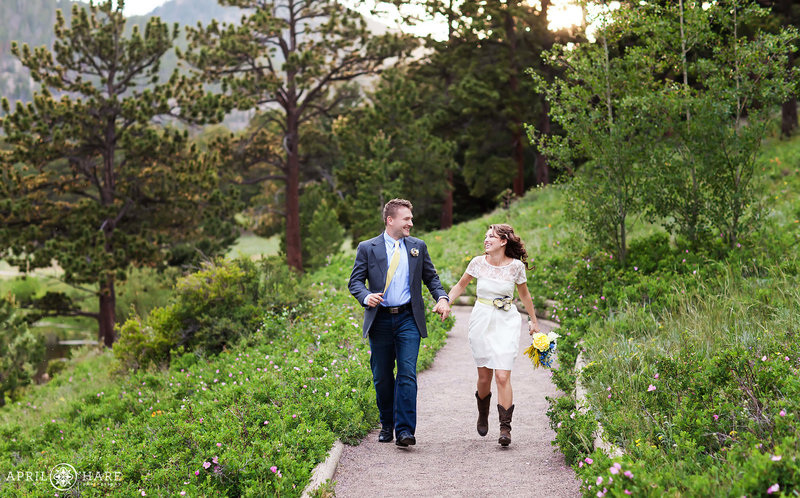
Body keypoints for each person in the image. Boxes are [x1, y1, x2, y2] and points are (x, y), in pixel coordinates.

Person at [349, 199, 451, 447]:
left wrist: (443, 298)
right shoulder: (367, 247)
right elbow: (354, 282)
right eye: (406, 219)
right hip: (380, 320)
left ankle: (405, 430)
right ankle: (387, 424)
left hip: (408, 319)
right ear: (390, 220)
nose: (411, 223)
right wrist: (366, 296)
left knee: (407, 374)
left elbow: (431, 278)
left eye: (411, 219)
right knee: (382, 377)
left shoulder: (418, 246)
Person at [446, 224, 539, 447]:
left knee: (503, 376)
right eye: (485, 236)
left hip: (506, 320)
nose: (486, 240)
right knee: (485, 376)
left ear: (503, 241)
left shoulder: (516, 266)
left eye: (491, 237)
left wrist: (534, 321)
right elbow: (460, 285)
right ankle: (483, 412)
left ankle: (505, 428)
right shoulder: (477, 263)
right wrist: (445, 303)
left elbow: (524, 294)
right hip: (481, 319)